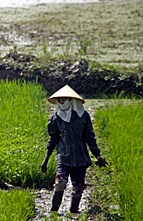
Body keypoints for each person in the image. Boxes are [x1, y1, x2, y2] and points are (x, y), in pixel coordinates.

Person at [40, 84, 107, 213]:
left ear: (71, 100)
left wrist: (97, 155)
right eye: (59, 99)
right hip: (64, 156)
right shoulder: (55, 118)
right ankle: (53, 212)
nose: (61, 101)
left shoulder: (83, 116)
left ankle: (74, 213)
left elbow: (90, 137)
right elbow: (53, 139)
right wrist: (46, 159)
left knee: (78, 188)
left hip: (80, 157)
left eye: (64, 99)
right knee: (60, 183)